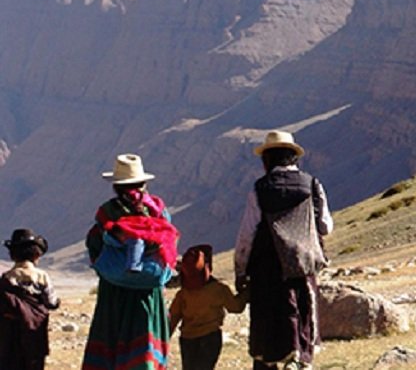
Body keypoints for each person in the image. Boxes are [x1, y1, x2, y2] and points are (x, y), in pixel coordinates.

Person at [234, 130, 332, 370]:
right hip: (303, 266)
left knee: (269, 324)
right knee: (302, 315)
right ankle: (300, 359)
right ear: (293, 158)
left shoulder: (260, 189)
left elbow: (247, 235)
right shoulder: (312, 184)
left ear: (267, 160)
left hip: (267, 271)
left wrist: (240, 270)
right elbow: (326, 226)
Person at [82, 154, 180, 370]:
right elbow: (167, 247)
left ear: (116, 186)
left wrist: (113, 268)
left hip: (113, 293)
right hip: (148, 294)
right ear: (144, 183)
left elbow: (94, 244)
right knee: (144, 344)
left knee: (111, 344)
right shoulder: (158, 212)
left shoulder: (107, 212)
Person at [169, 244, 247, 370]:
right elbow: (236, 307)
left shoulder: (183, 294)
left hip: (187, 340)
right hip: (210, 337)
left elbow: (172, 319)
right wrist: (246, 293)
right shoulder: (218, 290)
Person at [0, 228, 60, 370]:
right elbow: (52, 303)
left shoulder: (5, 279)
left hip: (9, 338)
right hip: (34, 336)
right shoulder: (42, 277)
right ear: (36, 254)